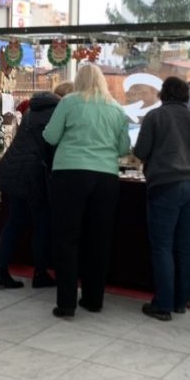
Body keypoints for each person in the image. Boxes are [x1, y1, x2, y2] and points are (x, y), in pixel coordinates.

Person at [43, 63, 131, 318]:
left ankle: (66, 303)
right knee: (99, 240)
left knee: (67, 239)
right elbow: (124, 148)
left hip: (69, 174)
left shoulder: (69, 102)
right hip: (106, 178)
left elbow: (50, 136)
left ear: (78, 79)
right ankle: (93, 299)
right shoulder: (116, 108)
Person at [133, 76, 190, 321]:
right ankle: (181, 301)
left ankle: (163, 305)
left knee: (163, 246)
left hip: (167, 183)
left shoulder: (155, 116)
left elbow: (142, 151)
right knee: (185, 244)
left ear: (163, 94)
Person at [0, 81, 74, 289]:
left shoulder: (31, 109)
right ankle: (40, 272)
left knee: (15, 221)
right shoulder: (57, 113)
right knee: (42, 223)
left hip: (14, 169)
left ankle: (1, 269)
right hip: (34, 174)